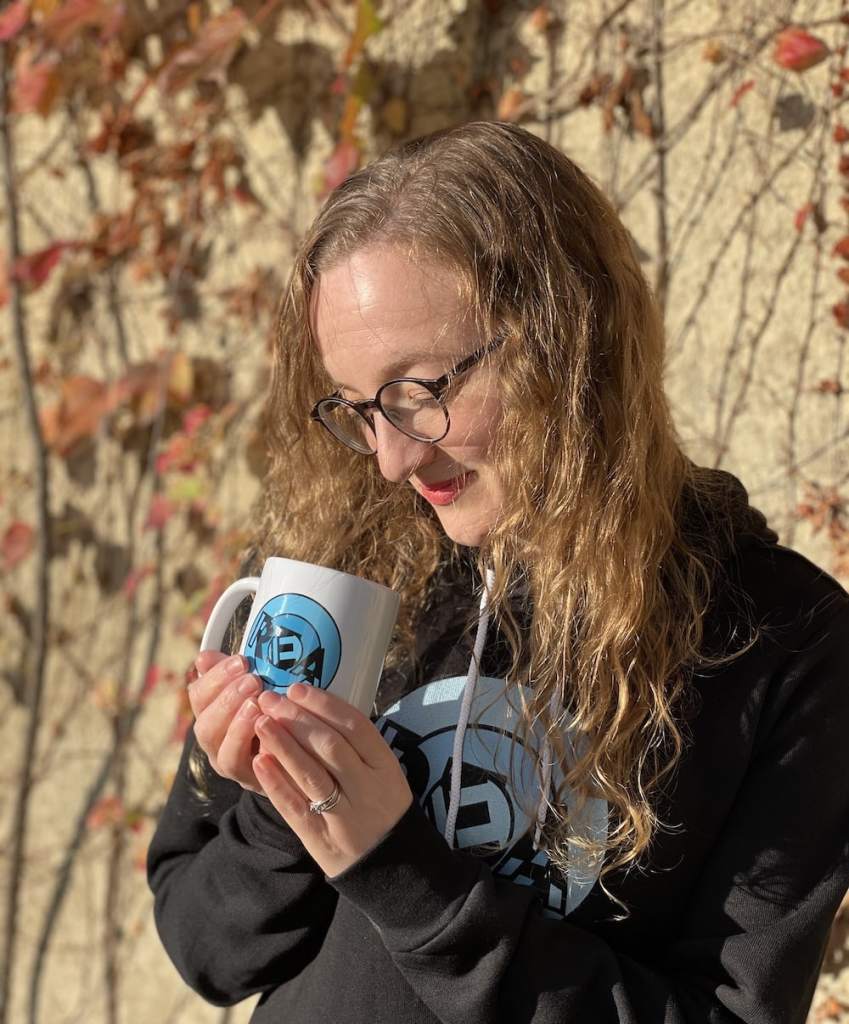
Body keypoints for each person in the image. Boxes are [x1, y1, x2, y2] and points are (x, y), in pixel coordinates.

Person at [146, 120, 849, 1024]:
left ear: (567, 338)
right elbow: (208, 950)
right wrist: (287, 798)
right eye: (358, 407)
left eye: (418, 391)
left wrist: (400, 872)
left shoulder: (782, 641)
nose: (391, 460)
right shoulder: (338, 570)